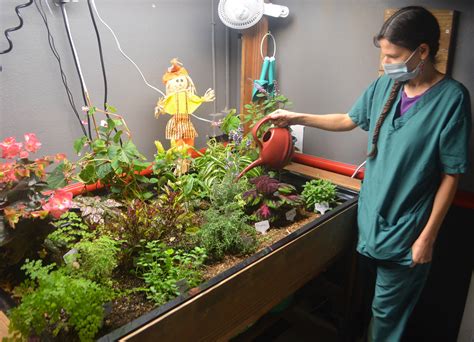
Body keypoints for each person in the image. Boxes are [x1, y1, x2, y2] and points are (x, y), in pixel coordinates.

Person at [269, 6, 471, 341]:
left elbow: (452, 175)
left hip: (408, 232)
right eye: (384, 55)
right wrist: (295, 117)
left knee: (386, 319)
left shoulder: (451, 100)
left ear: (422, 51)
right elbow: (349, 120)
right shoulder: (384, 88)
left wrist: (427, 237)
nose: (386, 63)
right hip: (371, 220)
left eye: (394, 56)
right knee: (364, 305)